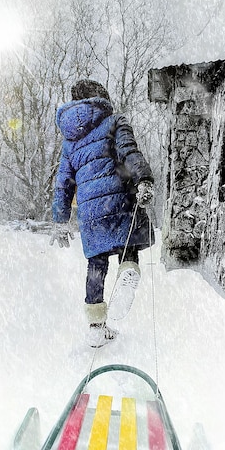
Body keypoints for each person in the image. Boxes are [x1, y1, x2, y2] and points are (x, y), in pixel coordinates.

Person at [50, 79, 154, 347]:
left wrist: (60, 219)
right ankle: (128, 271)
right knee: (128, 244)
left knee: (96, 264)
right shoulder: (114, 121)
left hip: (90, 212)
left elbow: (63, 181)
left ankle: (96, 326)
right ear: (101, 99)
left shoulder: (69, 141)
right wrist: (143, 179)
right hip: (118, 199)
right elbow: (128, 153)